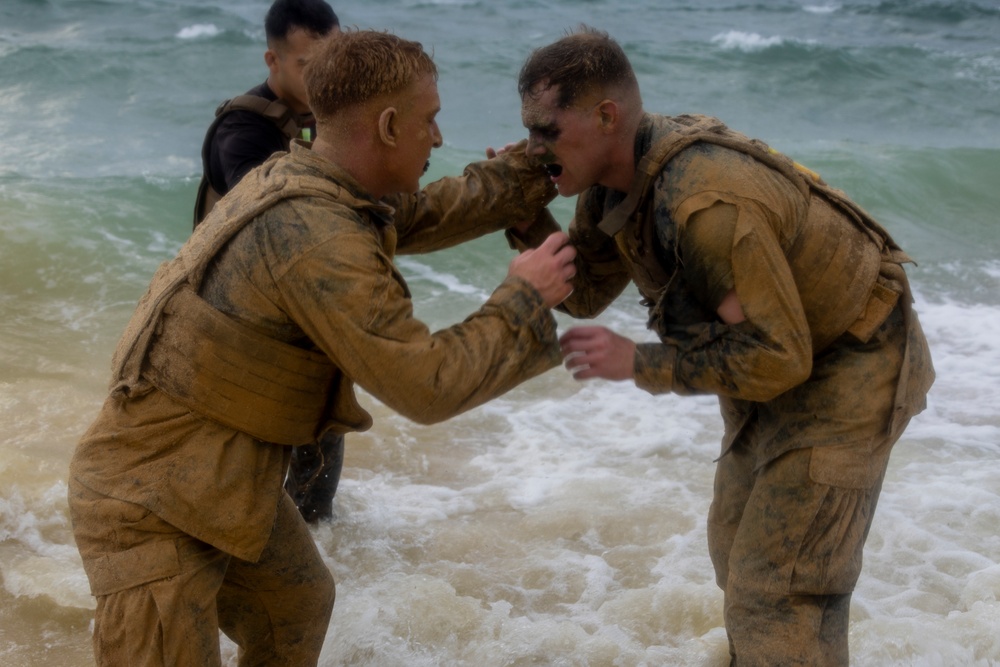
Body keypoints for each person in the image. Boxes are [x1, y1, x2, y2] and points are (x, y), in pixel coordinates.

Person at [69, 29, 575, 666]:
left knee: (296, 605)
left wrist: (528, 173)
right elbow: (426, 385)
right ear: (389, 126)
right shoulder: (312, 233)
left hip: (213, 478)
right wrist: (524, 300)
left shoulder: (310, 179)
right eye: (431, 121)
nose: (440, 139)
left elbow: (425, 211)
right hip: (148, 502)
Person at [511, 28, 934, 666]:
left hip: (850, 362)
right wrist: (520, 216)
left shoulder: (704, 204)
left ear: (606, 116)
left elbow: (779, 355)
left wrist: (640, 363)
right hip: (773, 361)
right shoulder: (610, 183)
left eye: (547, 131)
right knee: (736, 551)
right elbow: (588, 290)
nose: (533, 147)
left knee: (780, 588)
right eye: (528, 130)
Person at [194, 0, 343, 522]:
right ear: (272, 61)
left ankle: (320, 546)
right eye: (308, 66)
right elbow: (268, 217)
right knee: (239, 480)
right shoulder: (244, 131)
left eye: (332, 61)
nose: (323, 77)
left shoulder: (329, 117)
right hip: (242, 325)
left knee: (317, 482)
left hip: (309, 316)